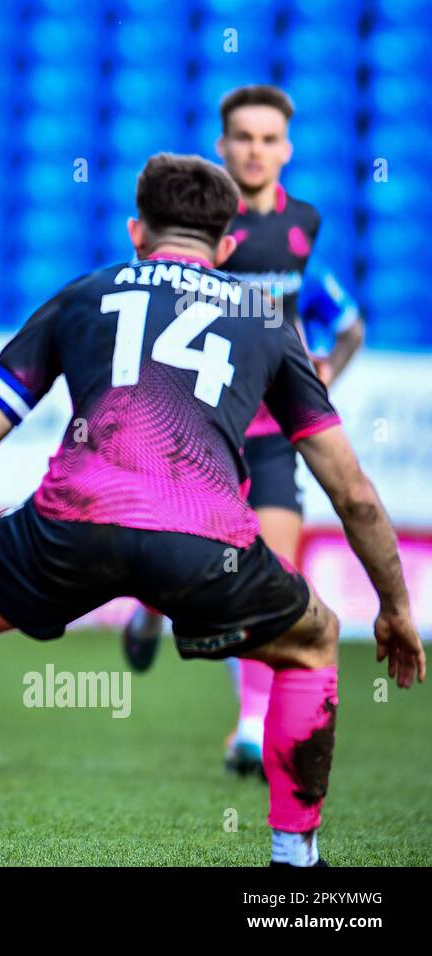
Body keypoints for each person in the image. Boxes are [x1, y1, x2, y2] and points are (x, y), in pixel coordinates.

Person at [0, 154, 423, 867]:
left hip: (72, 527)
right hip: (207, 543)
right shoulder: (266, 321)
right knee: (312, 642)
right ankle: (296, 862)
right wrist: (394, 607)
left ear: (137, 231)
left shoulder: (80, 297)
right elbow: (351, 492)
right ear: (228, 246)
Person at [120, 86, 366, 780]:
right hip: (204, 421)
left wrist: (321, 371)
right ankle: (148, 610)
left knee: (275, 572)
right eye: (243, 138)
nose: (255, 150)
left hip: (271, 427)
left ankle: (251, 729)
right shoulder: (203, 227)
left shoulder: (304, 227)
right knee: (177, 553)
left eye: (268, 139)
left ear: (285, 149)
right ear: (223, 146)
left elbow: (344, 323)